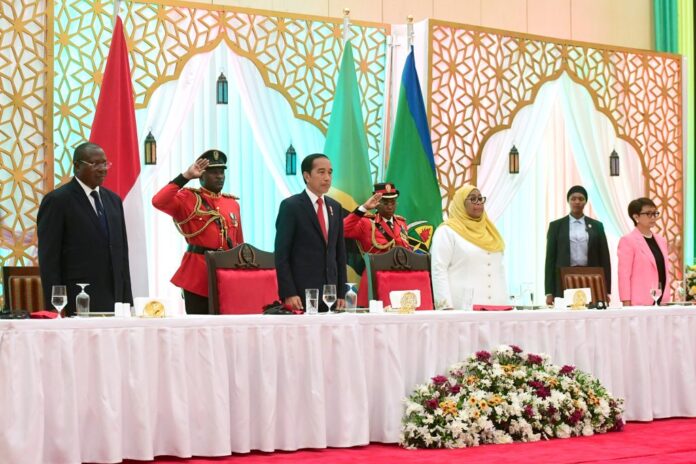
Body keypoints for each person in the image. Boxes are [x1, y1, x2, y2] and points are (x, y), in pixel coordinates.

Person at [37, 142, 132, 316]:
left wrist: (127, 300)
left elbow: (121, 254)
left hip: (115, 300)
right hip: (77, 298)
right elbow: (49, 258)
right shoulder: (57, 201)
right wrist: (56, 305)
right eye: (95, 164)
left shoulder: (114, 201)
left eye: (105, 163)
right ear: (77, 166)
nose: (103, 169)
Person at [152, 149, 243, 314]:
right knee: (199, 328)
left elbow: (239, 243)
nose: (219, 176)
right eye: (213, 172)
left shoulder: (232, 204)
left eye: (222, 172)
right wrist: (185, 176)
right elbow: (158, 201)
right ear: (200, 176)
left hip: (226, 273)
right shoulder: (187, 198)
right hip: (198, 274)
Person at [275, 154, 346, 311]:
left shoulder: (335, 207)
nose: (327, 178)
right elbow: (282, 256)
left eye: (330, 172)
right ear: (307, 176)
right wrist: (289, 292)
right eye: (321, 172)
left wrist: (341, 292)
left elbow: (340, 254)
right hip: (301, 295)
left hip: (331, 295)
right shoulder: (291, 206)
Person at [430, 184, 508, 309]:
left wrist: (506, 303)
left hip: (497, 309)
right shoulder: (447, 232)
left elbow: (500, 271)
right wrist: (445, 308)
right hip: (462, 311)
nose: (478, 202)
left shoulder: (490, 232)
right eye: (472, 199)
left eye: (480, 198)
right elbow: (439, 269)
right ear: (460, 203)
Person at [343, 182, 412, 307]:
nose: (390, 206)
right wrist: (363, 208)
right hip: (374, 279)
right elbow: (342, 229)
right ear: (377, 203)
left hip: (399, 280)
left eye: (393, 202)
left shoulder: (401, 223)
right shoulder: (366, 223)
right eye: (385, 203)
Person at [544, 185, 611, 306]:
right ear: (568, 201)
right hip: (564, 277)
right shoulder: (556, 226)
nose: (577, 202)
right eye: (573, 199)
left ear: (585, 201)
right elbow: (550, 259)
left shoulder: (597, 226)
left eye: (581, 199)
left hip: (591, 278)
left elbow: (605, 258)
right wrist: (549, 292)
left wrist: (606, 290)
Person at [617, 198, 671, 306]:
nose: (653, 217)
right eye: (648, 214)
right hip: (640, 302)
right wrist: (626, 302)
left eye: (655, 213)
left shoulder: (662, 240)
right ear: (636, 217)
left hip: (662, 301)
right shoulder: (628, 240)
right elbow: (624, 275)